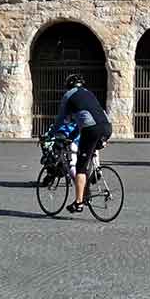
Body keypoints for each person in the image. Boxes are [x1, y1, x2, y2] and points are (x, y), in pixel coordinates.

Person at [54, 75, 112, 214]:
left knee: (80, 166)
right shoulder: (89, 93)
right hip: (107, 128)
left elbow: (61, 119)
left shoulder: (69, 95)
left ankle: (79, 203)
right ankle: (93, 175)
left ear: (68, 85)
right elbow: (80, 125)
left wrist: (54, 135)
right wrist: (71, 136)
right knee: (88, 155)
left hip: (91, 129)